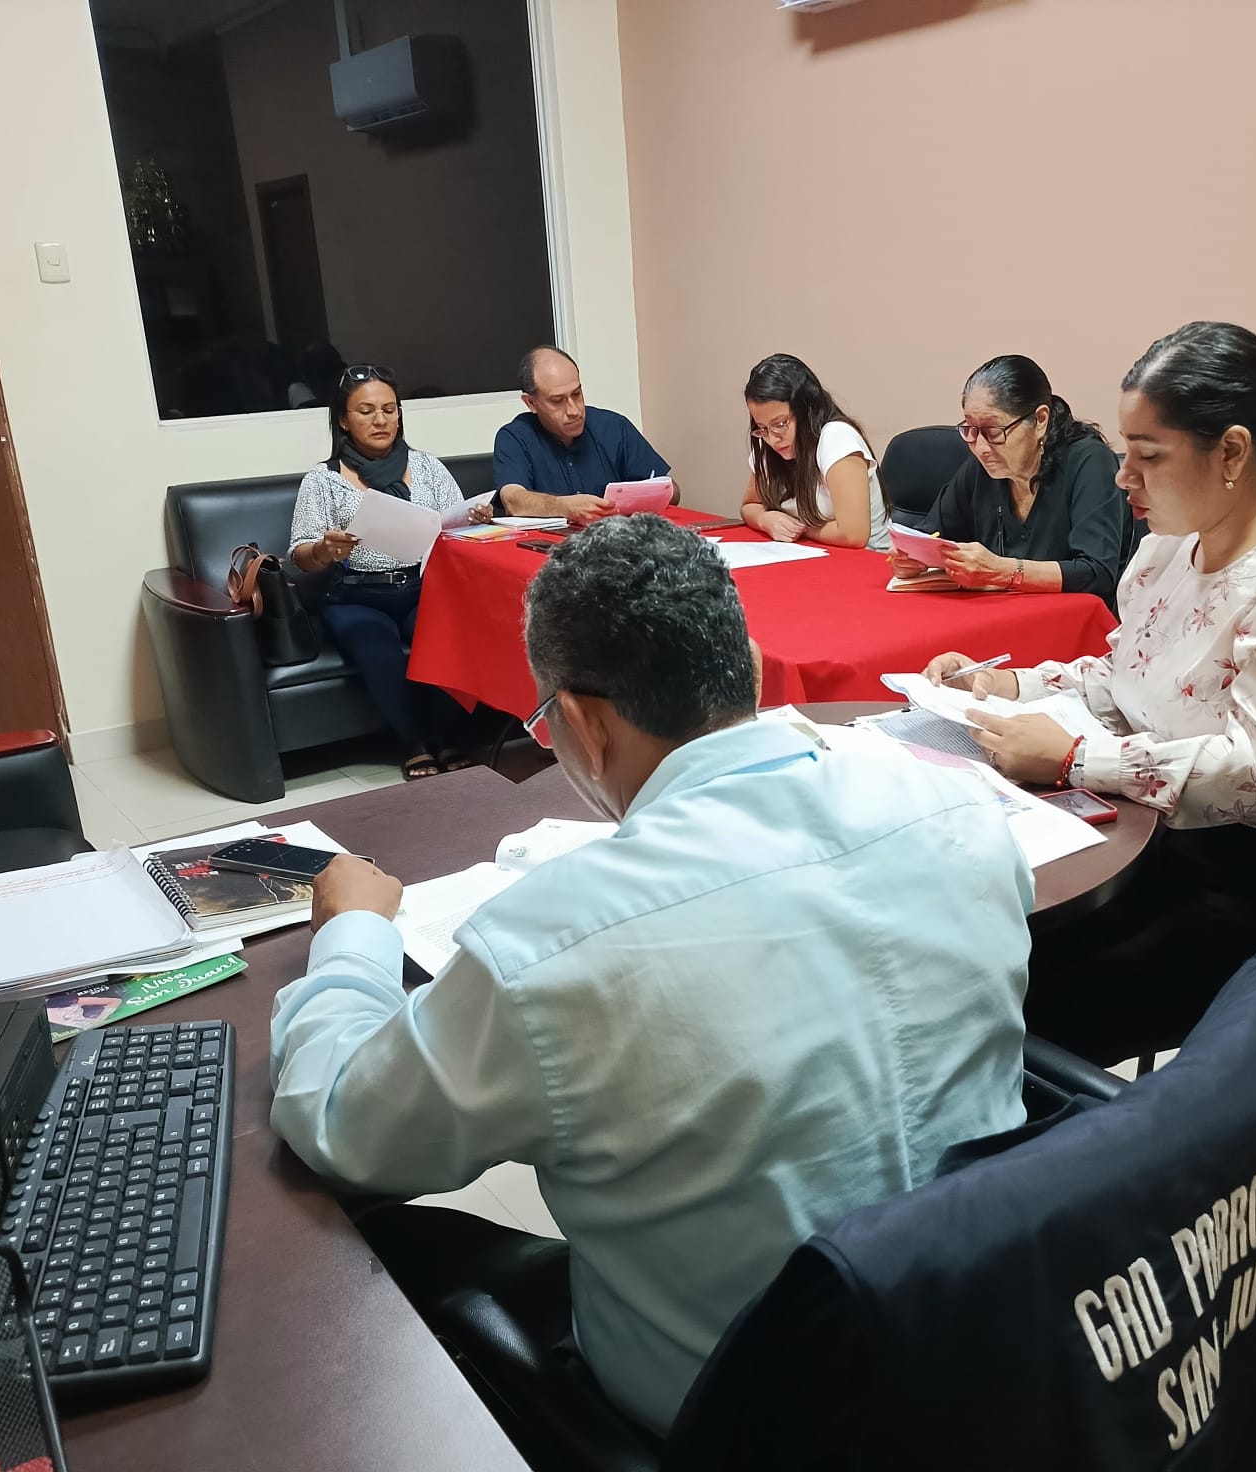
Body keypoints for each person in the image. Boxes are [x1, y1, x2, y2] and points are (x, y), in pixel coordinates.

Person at [270, 515, 1033, 1436]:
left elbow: (346, 1129)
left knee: (394, 1241)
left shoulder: (552, 942)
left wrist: (353, 935)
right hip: (989, 1356)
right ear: (751, 668)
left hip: (746, 1421)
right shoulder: (957, 808)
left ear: (584, 725)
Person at [924, 321, 1256, 1064]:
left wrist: (1074, 760)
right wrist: (1004, 682)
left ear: (1233, 453)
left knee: (1028, 1007)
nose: (1125, 478)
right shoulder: (1170, 550)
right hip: (1170, 833)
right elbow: (1125, 680)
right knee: (984, 958)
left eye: (1148, 455)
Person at [289, 364, 470, 780]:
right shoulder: (323, 480)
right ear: (343, 420)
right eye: (366, 411)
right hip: (356, 596)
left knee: (449, 632)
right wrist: (324, 550)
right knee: (377, 649)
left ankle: (447, 737)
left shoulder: (427, 467)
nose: (381, 420)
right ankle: (412, 743)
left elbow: (457, 526)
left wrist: (471, 518)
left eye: (389, 410)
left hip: (422, 586)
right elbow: (300, 555)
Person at [891, 355, 1130, 608]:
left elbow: (1097, 572)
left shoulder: (1088, 461)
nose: (981, 447)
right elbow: (931, 534)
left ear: (1040, 420)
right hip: (1001, 613)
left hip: (1074, 619)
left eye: (994, 431)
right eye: (970, 429)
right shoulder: (983, 467)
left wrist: (1002, 571)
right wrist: (913, 556)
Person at [485, 346, 679, 524]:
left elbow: (673, 492)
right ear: (531, 403)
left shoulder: (614, 427)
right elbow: (513, 500)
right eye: (557, 401)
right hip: (555, 547)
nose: (574, 410)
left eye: (577, 394)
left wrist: (648, 497)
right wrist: (565, 507)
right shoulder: (515, 437)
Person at [740, 354, 893, 551]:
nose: (771, 438)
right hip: (807, 552)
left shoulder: (836, 437)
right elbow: (750, 505)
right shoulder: (768, 441)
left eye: (780, 424)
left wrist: (798, 528)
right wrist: (765, 519)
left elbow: (853, 535)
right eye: (762, 428)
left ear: (806, 410)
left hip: (867, 557)